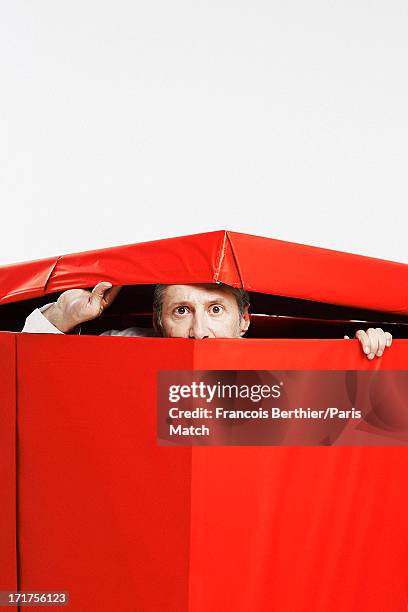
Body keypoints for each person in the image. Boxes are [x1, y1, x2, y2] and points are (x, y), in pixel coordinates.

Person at [22, 281, 393, 360]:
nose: (199, 333)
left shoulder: (280, 365)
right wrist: (62, 315)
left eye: (215, 310)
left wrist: (365, 355)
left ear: (244, 322)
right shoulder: (126, 347)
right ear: (159, 321)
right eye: (182, 310)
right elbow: (39, 376)